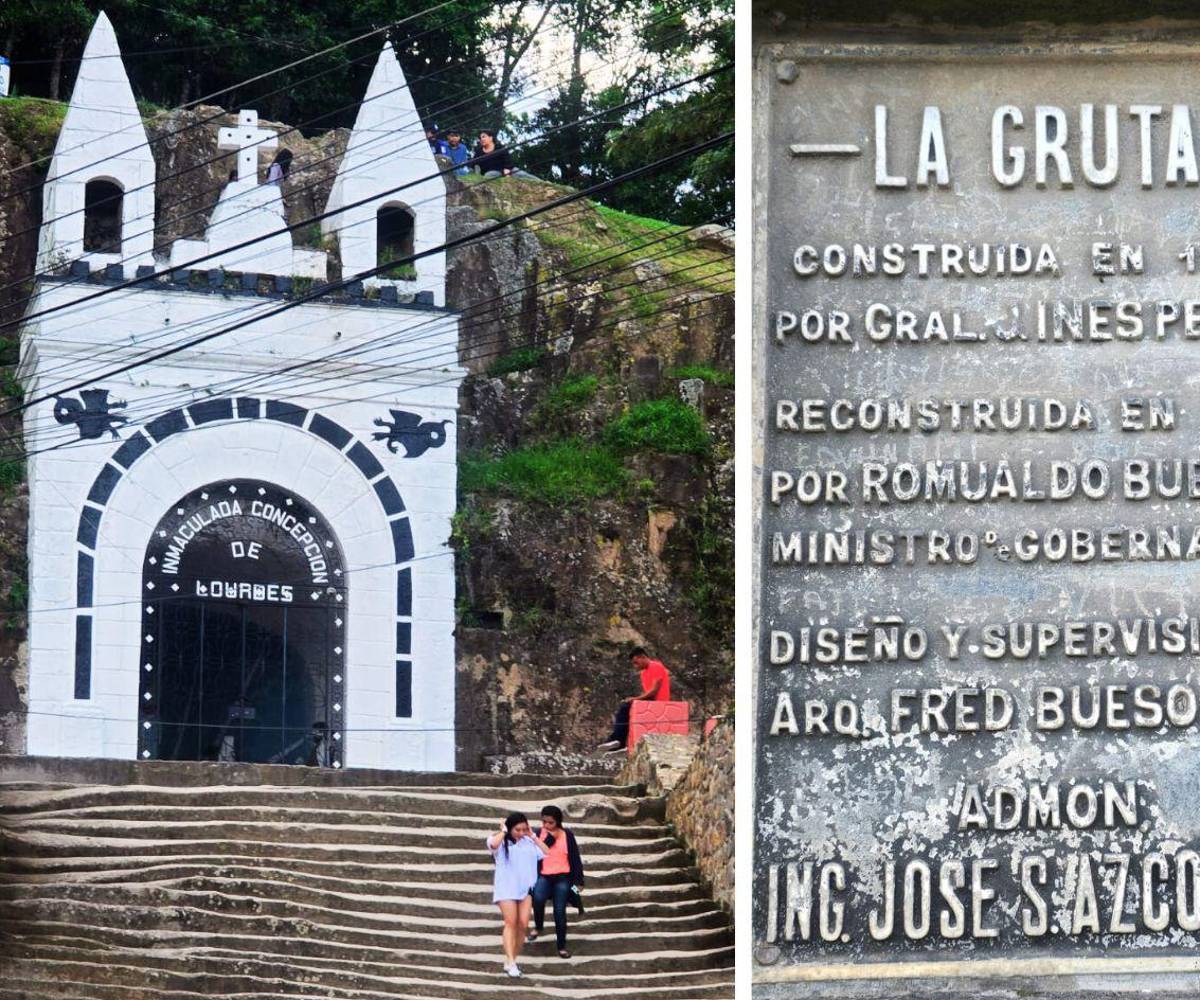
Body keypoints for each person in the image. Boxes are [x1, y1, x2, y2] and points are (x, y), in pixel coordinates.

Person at [487, 812, 548, 977]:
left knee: (523, 924)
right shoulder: (500, 841)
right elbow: (493, 845)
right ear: (510, 828)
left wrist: (532, 836)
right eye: (517, 830)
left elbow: (546, 851)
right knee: (510, 922)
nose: (521, 833)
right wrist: (504, 831)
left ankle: (511, 959)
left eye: (524, 829)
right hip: (506, 888)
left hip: (525, 889)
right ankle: (511, 961)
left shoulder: (529, 842)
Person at [529, 805, 584, 958]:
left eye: (551, 822)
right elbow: (536, 853)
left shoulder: (568, 835)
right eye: (544, 822)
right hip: (544, 876)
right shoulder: (538, 834)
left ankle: (561, 946)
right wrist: (550, 838)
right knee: (538, 899)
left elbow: (575, 858)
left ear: (558, 821)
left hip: (563, 878)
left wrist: (579, 881)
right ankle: (538, 926)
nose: (547, 825)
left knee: (559, 911)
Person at [597, 646, 672, 751]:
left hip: (659, 701)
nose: (635, 666)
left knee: (625, 707)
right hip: (651, 701)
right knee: (627, 711)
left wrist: (635, 698)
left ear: (643, 657)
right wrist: (636, 699)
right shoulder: (643, 673)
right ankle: (621, 741)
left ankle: (618, 740)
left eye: (636, 662)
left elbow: (654, 691)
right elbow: (647, 693)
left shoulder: (656, 666)